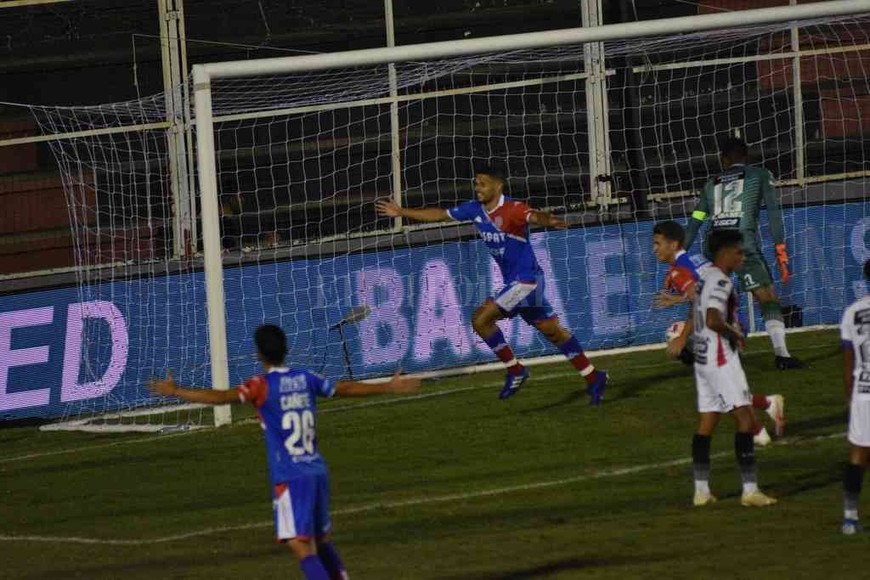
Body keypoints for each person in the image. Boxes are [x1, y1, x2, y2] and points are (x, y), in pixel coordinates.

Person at [149, 324, 420, 579]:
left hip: (291, 477)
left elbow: (220, 397)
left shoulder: (260, 386)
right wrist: (387, 386)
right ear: (285, 349)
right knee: (321, 539)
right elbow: (344, 388)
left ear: (258, 354)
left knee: (301, 546)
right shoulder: (306, 378)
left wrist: (175, 391)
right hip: (316, 470)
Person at [376, 165, 607, 405]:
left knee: (481, 319)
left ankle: (515, 370)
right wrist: (401, 211)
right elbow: (440, 214)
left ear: (498, 186)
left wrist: (548, 220)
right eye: (476, 183)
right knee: (551, 330)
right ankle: (593, 376)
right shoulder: (474, 210)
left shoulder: (513, 209)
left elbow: (534, 216)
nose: (477, 188)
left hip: (526, 282)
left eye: (482, 184)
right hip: (518, 283)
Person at [652, 220, 785, 445]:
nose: (654, 249)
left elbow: (699, 298)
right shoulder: (692, 259)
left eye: (657, 243)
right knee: (719, 385)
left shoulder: (681, 268)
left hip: (723, 327)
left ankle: (760, 426)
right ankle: (766, 409)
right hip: (727, 322)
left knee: (682, 343)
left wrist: (683, 338)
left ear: (673, 244)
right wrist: (678, 299)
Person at [684, 137, 803, 370]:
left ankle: (691, 346)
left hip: (715, 244)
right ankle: (782, 355)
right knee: (767, 297)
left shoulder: (711, 183)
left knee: (710, 298)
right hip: (741, 243)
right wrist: (780, 248)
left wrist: (680, 254)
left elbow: (696, 220)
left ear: (723, 159)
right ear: (745, 157)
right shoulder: (759, 175)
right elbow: (772, 211)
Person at [689, 229, 777, 507]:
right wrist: (735, 334)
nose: (742, 256)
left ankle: (701, 491)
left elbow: (696, 312)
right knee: (747, 421)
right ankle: (750, 491)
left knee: (706, 425)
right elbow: (714, 319)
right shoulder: (721, 281)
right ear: (724, 252)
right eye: (738, 251)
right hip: (721, 359)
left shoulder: (705, 277)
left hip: (702, 360)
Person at [840, 259, 870, 535]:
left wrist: (850, 393)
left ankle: (849, 518)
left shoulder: (852, 312)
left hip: (863, 391)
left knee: (859, 452)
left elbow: (848, 358)